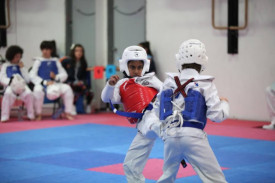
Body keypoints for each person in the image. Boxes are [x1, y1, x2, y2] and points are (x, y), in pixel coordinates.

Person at [157, 39, 229, 183]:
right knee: (215, 179)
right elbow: (217, 116)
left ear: (179, 59)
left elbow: (158, 111)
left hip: (170, 136)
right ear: (203, 62)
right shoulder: (206, 83)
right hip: (194, 137)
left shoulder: (169, 82)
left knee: (167, 177)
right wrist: (224, 103)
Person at [101, 46, 162, 183]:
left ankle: (163, 128)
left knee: (151, 117)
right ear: (125, 66)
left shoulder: (151, 79)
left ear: (144, 67)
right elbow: (106, 99)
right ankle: (163, 129)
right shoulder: (121, 84)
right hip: (143, 128)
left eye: (139, 67)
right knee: (129, 166)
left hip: (154, 115)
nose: (136, 71)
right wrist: (110, 85)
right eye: (132, 67)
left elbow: (167, 91)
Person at [29, 40, 74, 120]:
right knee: (37, 90)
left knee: (67, 88)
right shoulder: (38, 61)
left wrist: (56, 77)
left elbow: (64, 74)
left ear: (51, 50)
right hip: (42, 84)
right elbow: (32, 75)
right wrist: (45, 82)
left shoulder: (56, 61)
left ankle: (67, 112)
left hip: (54, 83)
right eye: (43, 49)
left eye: (47, 49)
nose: (45, 51)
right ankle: (38, 114)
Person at [0, 45, 35, 122]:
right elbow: (1, 78)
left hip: (22, 86)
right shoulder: (5, 66)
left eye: (19, 56)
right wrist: (10, 81)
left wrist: (22, 68)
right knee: (8, 94)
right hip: (11, 86)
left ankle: (31, 115)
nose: (18, 58)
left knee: (29, 94)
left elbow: (28, 79)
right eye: (16, 56)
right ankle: (4, 116)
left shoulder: (21, 66)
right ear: (11, 56)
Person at [61, 44, 93, 114]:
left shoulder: (83, 63)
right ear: (73, 52)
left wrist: (82, 82)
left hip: (79, 83)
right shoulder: (67, 61)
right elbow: (61, 71)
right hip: (69, 82)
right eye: (77, 51)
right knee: (76, 87)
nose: (79, 53)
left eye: (81, 51)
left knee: (90, 92)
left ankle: (88, 105)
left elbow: (84, 76)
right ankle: (72, 105)